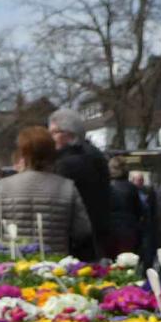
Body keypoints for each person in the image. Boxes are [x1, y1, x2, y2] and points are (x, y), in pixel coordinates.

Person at [0, 126, 91, 257]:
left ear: (23, 153)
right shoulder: (67, 187)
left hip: (14, 265)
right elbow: (83, 231)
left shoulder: (4, 186)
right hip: (55, 266)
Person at [49, 107, 112, 261]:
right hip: (99, 231)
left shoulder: (67, 163)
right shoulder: (94, 154)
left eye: (54, 133)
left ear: (69, 133)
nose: (50, 138)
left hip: (78, 237)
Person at [107, 157, 144, 257]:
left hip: (109, 231)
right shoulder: (132, 188)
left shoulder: (106, 187)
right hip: (129, 231)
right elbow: (140, 211)